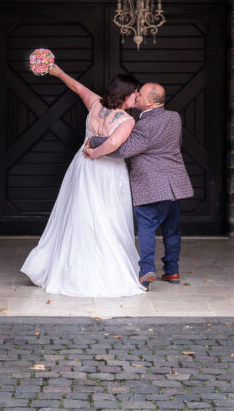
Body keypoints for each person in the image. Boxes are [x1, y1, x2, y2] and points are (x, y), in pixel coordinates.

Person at [20, 64, 146, 297]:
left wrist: (57, 72)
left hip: (82, 166)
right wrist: (96, 153)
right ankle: (103, 271)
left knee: (79, 213)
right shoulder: (127, 120)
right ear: (126, 94)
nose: (137, 97)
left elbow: (76, 87)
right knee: (109, 217)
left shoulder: (95, 104)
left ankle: (71, 268)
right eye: (135, 93)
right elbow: (113, 144)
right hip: (107, 171)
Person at [84, 82, 193, 290]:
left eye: (140, 94)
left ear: (149, 102)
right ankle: (172, 271)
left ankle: (146, 270)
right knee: (172, 229)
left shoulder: (143, 125)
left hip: (151, 185)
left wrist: (95, 142)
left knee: (147, 227)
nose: (136, 95)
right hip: (175, 184)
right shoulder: (174, 117)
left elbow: (123, 150)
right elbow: (174, 144)